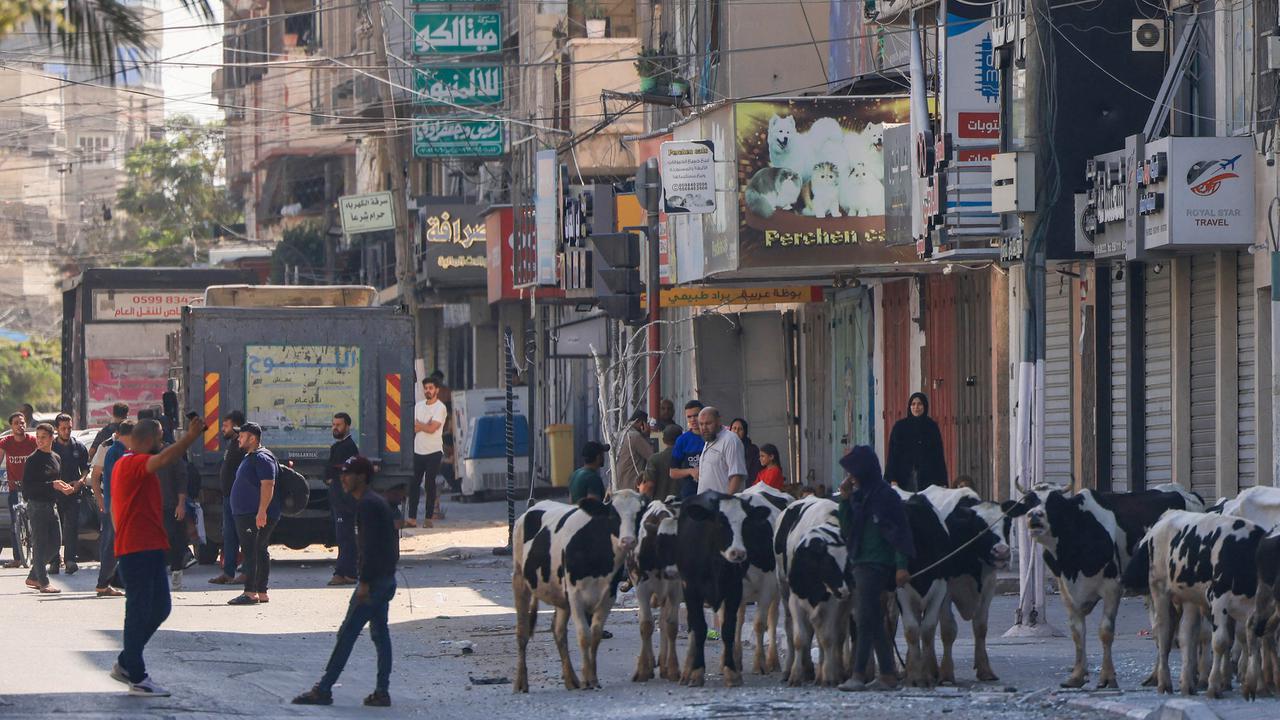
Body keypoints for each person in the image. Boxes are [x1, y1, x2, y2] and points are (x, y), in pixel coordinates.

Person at [108, 416, 205, 697]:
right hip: (136, 549)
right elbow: (162, 459)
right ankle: (137, 676)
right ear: (150, 440)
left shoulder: (134, 463)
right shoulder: (131, 463)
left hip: (149, 547)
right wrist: (190, 437)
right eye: (161, 437)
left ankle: (126, 662)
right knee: (137, 611)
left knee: (160, 607)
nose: (163, 443)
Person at [292, 456, 399, 708]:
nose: (343, 478)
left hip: (374, 584)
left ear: (361, 477)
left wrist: (365, 583)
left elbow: (369, 549)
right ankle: (382, 691)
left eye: (347, 473)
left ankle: (324, 689)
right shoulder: (375, 502)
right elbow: (389, 546)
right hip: (384, 580)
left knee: (347, 634)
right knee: (380, 634)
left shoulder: (368, 505)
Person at [836, 446, 914, 692]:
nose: (850, 478)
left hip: (878, 563)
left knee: (863, 618)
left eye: (853, 472)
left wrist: (901, 566)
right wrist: (845, 501)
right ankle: (888, 674)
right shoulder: (859, 497)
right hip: (859, 561)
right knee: (874, 618)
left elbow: (899, 533)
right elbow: (846, 530)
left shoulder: (886, 497)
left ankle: (858, 674)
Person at [228, 422, 281, 605]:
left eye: (242, 436)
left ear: (252, 438)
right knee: (258, 549)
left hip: (254, 514)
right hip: (248, 513)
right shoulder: (251, 456)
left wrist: (262, 511)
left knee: (252, 551)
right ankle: (261, 591)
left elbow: (268, 484)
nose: (239, 439)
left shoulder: (262, 458)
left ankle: (250, 592)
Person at [21, 423, 72, 593]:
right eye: (38, 437)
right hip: (37, 506)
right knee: (40, 544)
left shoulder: (56, 457)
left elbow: (56, 480)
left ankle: (33, 576)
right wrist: (52, 485)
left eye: (43, 437)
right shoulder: (32, 460)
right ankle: (43, 582)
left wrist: (64, 487)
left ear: (52, 438)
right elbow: (28, 488)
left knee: (56, 544)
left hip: (52, 505)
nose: (40, 440)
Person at [89, 423, 127, 597]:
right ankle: (103, 583)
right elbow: (96, 476)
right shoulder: (107, 448)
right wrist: (100, 499)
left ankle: (109, 581)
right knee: (110, 542)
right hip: (111, 502)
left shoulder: (128, 448)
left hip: (120, 502)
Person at [208, 411, 246, 585]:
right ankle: (228, 572)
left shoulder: (243, 445)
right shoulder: (233, 444)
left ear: (236, 426)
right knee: (229, 535)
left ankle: (247, 572)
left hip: (240, 498)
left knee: (244, 535)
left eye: (226, 426)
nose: (222, 429)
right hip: (228, 497)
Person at [51, 413, 90, 576]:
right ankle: (54, 560)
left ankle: (70, 560)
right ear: (56, 429)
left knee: (72, 526)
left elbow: (85, 469)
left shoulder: (78, 447)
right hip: (55, 493)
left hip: (73, 492)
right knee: (54, 528)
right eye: (63, 428)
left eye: (69, 428)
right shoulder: (50, 447)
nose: (67, 431)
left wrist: (80, 481)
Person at [883, 392, 948, 491]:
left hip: (928, 477)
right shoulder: (900, 427)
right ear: (909, 406)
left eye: (919, 404)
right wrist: (892, 478)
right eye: (913, 404)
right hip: (904, 477)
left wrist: (942, 481)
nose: (916, 407)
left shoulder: (931, 427)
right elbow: (893, 454)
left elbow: (938, 455)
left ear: (925, 406)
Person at [409, 377, 447, 528]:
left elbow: (432, 429)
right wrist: (425, 425)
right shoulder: (418, 406)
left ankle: (428, 517)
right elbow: (413, 427)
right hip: (418, 450)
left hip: (434, 451)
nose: (428, 391)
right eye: (426, 388)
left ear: (436, 390)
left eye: (431, 388)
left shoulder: (440, 408)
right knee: (414, 484)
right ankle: (412, 518)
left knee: (429, 483)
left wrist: (421, 425)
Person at [327, 413, 360, 586]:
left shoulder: (347, 447)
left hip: (344, 500)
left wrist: (332, 477)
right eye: (333, 424)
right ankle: (349, 572)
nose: (335, 428)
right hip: (339, 498)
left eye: (338, 425)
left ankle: (343, 573)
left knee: (345, 537)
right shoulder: (338, 446)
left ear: (347, 426)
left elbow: (337, 472)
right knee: (344, 537)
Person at [152, 437, 188, 592]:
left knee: (173, 541)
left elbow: (182, 480)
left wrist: (181, 504)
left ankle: (176, 575)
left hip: (170, 506)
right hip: (151, 508)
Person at [0, 412, 36, 567]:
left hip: (32, 488)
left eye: (22, 422)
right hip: (14, 488)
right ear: (11, 426)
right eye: (16, 423)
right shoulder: (6, 442)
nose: (20, 425)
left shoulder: (33, 441)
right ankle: (17, 558)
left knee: (36, 520)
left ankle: (42, 555)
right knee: (15, 522)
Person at [693, 407, 746, 495]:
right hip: (705, 501)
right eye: (701, 424)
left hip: (722, 502)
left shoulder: (731, 440)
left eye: (708, 423)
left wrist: (727, 501)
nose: (704, 428)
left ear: (718, 421)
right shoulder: (709, 440)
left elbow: (736, 476)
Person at [669, 400, 706, 498]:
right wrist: (690, 471)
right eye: (689, 417)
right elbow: (673, 472)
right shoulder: (682, 440)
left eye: (696, 415)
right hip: (690, 493)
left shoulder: (713, 437)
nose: (693, 419)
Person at [615, 410, 654, 492]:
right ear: (641, 423)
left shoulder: (620, 434)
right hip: (631, 486)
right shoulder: (635, 436)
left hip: (618, 485)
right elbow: (652, 457)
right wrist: (647, 436)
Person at [644, 424, 683, 501]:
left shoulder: (654, 459)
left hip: (660, 504)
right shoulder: (686, 458)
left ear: (663, 440)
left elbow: (649, 485)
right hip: (682, 503)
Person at [730, 418, 761, 486]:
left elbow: (754, 472)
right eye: (734, 428)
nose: (736, 431)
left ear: (745, 431)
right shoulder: (726, 447)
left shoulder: (752, 449)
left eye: (740, 429)